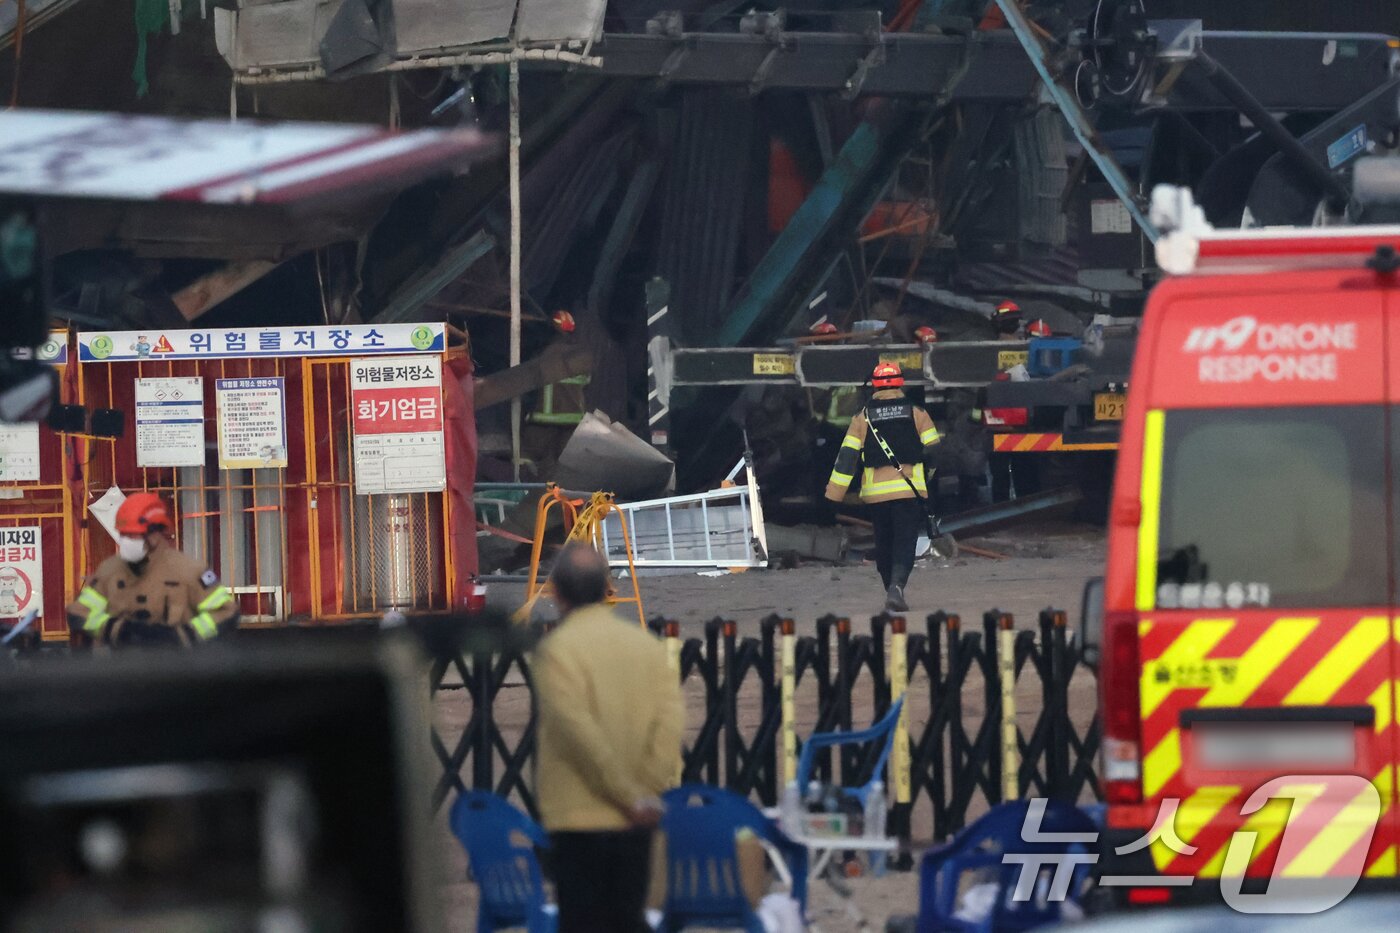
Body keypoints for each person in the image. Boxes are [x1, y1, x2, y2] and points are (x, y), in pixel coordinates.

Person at [531, 544, 684, 933]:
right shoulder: (647, 648)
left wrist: (624, 794)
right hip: (636, 821)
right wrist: (644, 794)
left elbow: (578, 733)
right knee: (628, 918)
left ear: (557, 593)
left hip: (578, 817)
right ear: (607, 588)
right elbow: (669, 727)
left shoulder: (556, 652)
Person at [824, 362, 941, 612]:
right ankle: (896, 587)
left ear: (874, 385)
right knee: (904, 542)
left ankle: (891, 587)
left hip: (877, 496)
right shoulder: (917, 413)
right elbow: (934, 451)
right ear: (900, 383)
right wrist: (925, 479)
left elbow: (847, 458)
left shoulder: (861, 417)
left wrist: (833, 495)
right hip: (908, 491)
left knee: (884, 542)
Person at [66, 492, 238, 648]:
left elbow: (226, 611)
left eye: (134, 535)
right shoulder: (108, 571)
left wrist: (184, 634)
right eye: (123, 534)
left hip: (177, 670)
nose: (127, 541)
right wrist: (117, 630)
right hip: (121, 672)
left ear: (156, 533)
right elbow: (79, 612)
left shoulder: (189, 571)